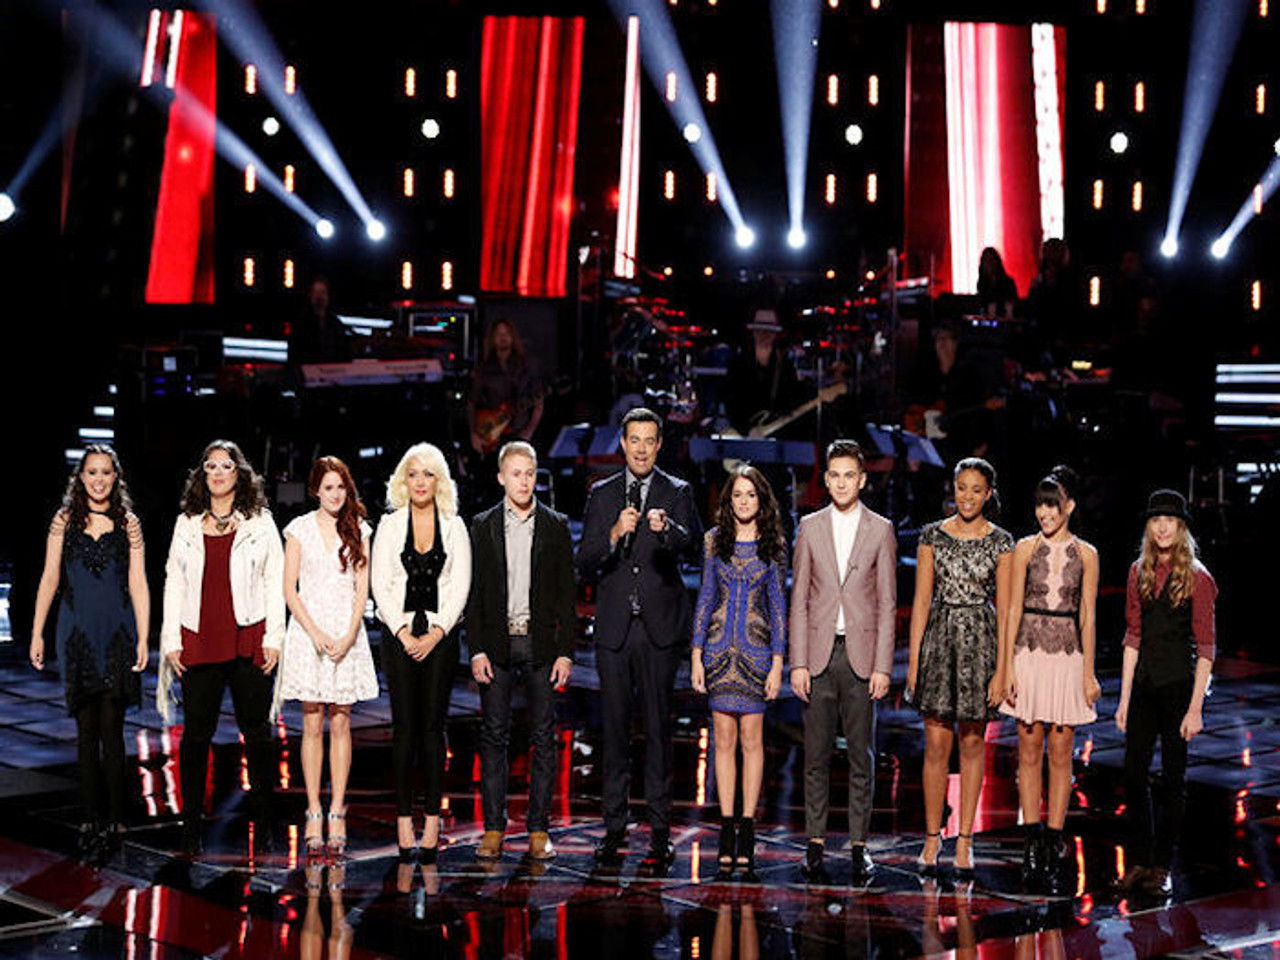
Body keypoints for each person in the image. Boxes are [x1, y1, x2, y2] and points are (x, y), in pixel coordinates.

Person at [577, 407, 703, 869]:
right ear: (623, 443)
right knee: (614, 732)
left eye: (650, 440)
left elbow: (695, 546)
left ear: (659, 444)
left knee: (657, 732)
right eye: (635, 440)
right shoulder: (602, 494)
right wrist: (614, 532)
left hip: (658, 631)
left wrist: (667, 531)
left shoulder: (677, 491)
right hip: (615, 630)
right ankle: (614, 829)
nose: (642, 449)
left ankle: (660, 831)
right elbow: (585, 561)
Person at [159, 440, 285, 857]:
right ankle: (191, 826)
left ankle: (264, 824)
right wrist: (171, 640)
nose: (217, 473)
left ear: (238, 473)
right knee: (196, 737)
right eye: (210, 466)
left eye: (225, 466)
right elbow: (174, 581)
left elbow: (274, 580)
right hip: (199, 638)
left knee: (258, 734)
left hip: (249, 635)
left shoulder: (260, 522)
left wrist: (273, 638)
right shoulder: (186, 523)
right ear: (202, 475)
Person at [30, 445, 149, 862]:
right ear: (81, 477)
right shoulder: (63, 520)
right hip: (76, 631)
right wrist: (37, 633)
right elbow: (49, 578)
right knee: (85, 732)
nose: (99, 480)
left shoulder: (129, 523)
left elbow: (138, 583)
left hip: (117, 633)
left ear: (116, 478)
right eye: (92, 472)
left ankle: (115, 819)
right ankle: (90, 817)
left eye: (106, 473)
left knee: (113, 729)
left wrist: (143, 636)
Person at [788, 440, 898, 885]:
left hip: (861, 657)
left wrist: (883, 666)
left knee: (860, 758)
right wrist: (797, 662)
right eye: (834, 475)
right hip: (818, 654)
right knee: (815, 757)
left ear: (862, 480)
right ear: (827, 478)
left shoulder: (881, 530)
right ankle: (815, 843)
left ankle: (858, 846)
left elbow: (887, 602)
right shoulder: (810, 526)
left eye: (849, 475)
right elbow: (799, 598)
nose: (841, 483)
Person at [467, 441, 577, 862]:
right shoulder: (482, 526)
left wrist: (565, 652)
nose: (524, 481)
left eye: (529, 473)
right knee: (494, 736)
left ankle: (538, 829)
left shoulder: (555, 525)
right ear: (501, 478)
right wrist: (476, 649)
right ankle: (494, 828)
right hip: (496, 644)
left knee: (543, 738)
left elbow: (566, 595)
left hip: (540, 645)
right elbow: (474, 594)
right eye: (516, 474)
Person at [907, 457, 1014, 879]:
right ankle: (933, 836)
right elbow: (920, 602)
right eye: (961, 487)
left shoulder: (1002, 541)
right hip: (938, 643)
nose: (967, 496)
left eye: (976, 489)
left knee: (972, 745)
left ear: (988, 494)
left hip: (980, 647)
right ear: (953, 489)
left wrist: (1003, 670)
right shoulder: (932, 535)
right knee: (936, 746)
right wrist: (914, 662)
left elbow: (1006, 609)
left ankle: (965, 838)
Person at [999, 466, 1100, 893]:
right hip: (1029, 653)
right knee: (1028, 749)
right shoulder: (1024, 548)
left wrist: (1088, 672)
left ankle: (1054, 839)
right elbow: (1011, 609)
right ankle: (1031, 841)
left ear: (1069, 506)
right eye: (1040, 505)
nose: (1044, 513)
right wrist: (1006, 667)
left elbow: (1088, 615)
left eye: (1052, 505)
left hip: (1067, 658)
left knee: (1060, 752)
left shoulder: (1087, 554)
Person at [371, 443, 472, 863]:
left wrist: (436, 632)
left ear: (439, 481)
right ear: (403, 480)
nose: (420, 482)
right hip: (398, 636)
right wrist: (401, 631)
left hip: (440, 637)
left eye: (428, 474)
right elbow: (379, 581)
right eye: (413, 474)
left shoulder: (455, 525)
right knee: (404, 728)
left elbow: (461, 583)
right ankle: (402, 820)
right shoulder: (389, 525)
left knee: (432, 728)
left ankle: (431, 820)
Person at [1115, 489, 1216, 900]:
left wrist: (1196, 709)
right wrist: (1123, 699)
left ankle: (1161, 866)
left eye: (1169, 521)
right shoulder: (1137, 571)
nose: (1162, 527)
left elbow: (1206, 647)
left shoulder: (1198, 578)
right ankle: (1140, 860)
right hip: (1143, 686)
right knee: (1134, 773)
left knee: (1173, 779)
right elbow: (1132, 637)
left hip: (1177, 687)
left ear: (1181, 527)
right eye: (1156, 520)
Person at [690, 464, 788, 881]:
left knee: (752, 741)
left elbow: (778, 608)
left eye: (751, 495)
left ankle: (747, 829)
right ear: (728, 501)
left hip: (756, 655)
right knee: (723, 742)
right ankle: (726, 829)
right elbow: (705, 596)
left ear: (761, 500)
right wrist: (697, 654)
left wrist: (778, 662)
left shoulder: (773, 543)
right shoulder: (714, 541)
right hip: (718, 654)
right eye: (737, 495)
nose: (744, 501)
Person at [279, 456, 379, 858]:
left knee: (341, 721)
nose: (335, 494)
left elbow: (362, 589)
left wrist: (350, 633)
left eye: (341, 487)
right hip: (309, 634)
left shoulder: (360, 529)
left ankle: (337, 808)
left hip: (346, 633)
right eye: (328, 487)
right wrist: (316, 633)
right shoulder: (298, 529)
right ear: (315, 490)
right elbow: (289, 590)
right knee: (311, 721)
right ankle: (313, 809)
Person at [468, 318, 545, 457]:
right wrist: (474, 434)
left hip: (519, 432)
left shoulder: (526, 365)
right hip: (492, 434)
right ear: (492, 338)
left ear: (513, 337)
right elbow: (471, 402)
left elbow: (538, 402)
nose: (503, 338)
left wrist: (529, 431)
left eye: (507, 334)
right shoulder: (483, 368)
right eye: (499, 334)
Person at [723, 309, 804, 437]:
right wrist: (747, 429)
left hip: (777, 434)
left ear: (775, 334)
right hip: (744, 435)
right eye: (760, 330)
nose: (765, 334)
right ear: (753, 332)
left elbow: (791, 402)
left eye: (769, 331)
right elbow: (731, 403)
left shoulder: (785, 366)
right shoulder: (738, 364)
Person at [289, 276, 353, 366]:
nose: (319, 297)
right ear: (310, 296)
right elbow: (294, 354)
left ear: (328, 296)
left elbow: (343, 352)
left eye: (323, 292)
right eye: (316, 293)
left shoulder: (335, 324)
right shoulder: (301, 324)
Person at [976, 247, 1018, 321]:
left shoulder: (1008, 283)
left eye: (991, 260)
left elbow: (1012, 305)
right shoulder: (982, 284)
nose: (989, 264)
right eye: (986, 260)